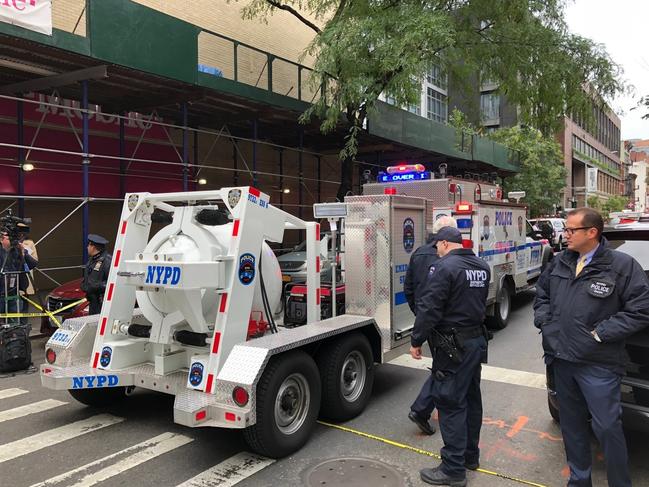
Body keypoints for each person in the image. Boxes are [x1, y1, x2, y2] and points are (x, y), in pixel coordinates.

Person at [533, 208, 649, 487]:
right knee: (572, 427)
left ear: (592, 232)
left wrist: (601, 334)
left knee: (607, 428)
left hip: (598, 364)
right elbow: (542, 296)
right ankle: (579, 480)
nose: (565, 234)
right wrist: (547, 325)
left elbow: (640, 310)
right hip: (561, 360)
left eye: (571, 230)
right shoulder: (560, 261)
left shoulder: (622, 266)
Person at [411, 226, 490, 486]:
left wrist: (416, 340)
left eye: (437, 246)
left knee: (450, 402)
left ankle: (453, 469)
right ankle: (470, 456)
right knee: (471, 398)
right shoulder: (481, 265)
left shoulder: (444, 268)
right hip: (475, 341)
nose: (436, 251)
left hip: (452, 346)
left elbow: (429, 307)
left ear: (445, 243)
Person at [404, 215, 458, 436]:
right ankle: (421, 409)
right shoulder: (449, 258)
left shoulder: (418, 253)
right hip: (445, 324)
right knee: (444, 369)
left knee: (442, 366)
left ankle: (423, 409)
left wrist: (420, 316)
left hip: (427, 322)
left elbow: (408, 288)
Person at [0, 230, 38, 326]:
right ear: (1, 239)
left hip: (14, 293)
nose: (13, 241)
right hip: (1, 293)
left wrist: (23, 253)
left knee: (15, 323)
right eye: (9, 238)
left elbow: (33, 264)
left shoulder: (17, 251)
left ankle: (15, 338)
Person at [81, 234, 112, 315]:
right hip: (93, 302)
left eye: (89, 245)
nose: (87, 247)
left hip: (102, 304)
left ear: (93, 247)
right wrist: (84, 285)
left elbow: (113, 282)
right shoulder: (92, 260)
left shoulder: (107, 261)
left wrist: (96, 286)